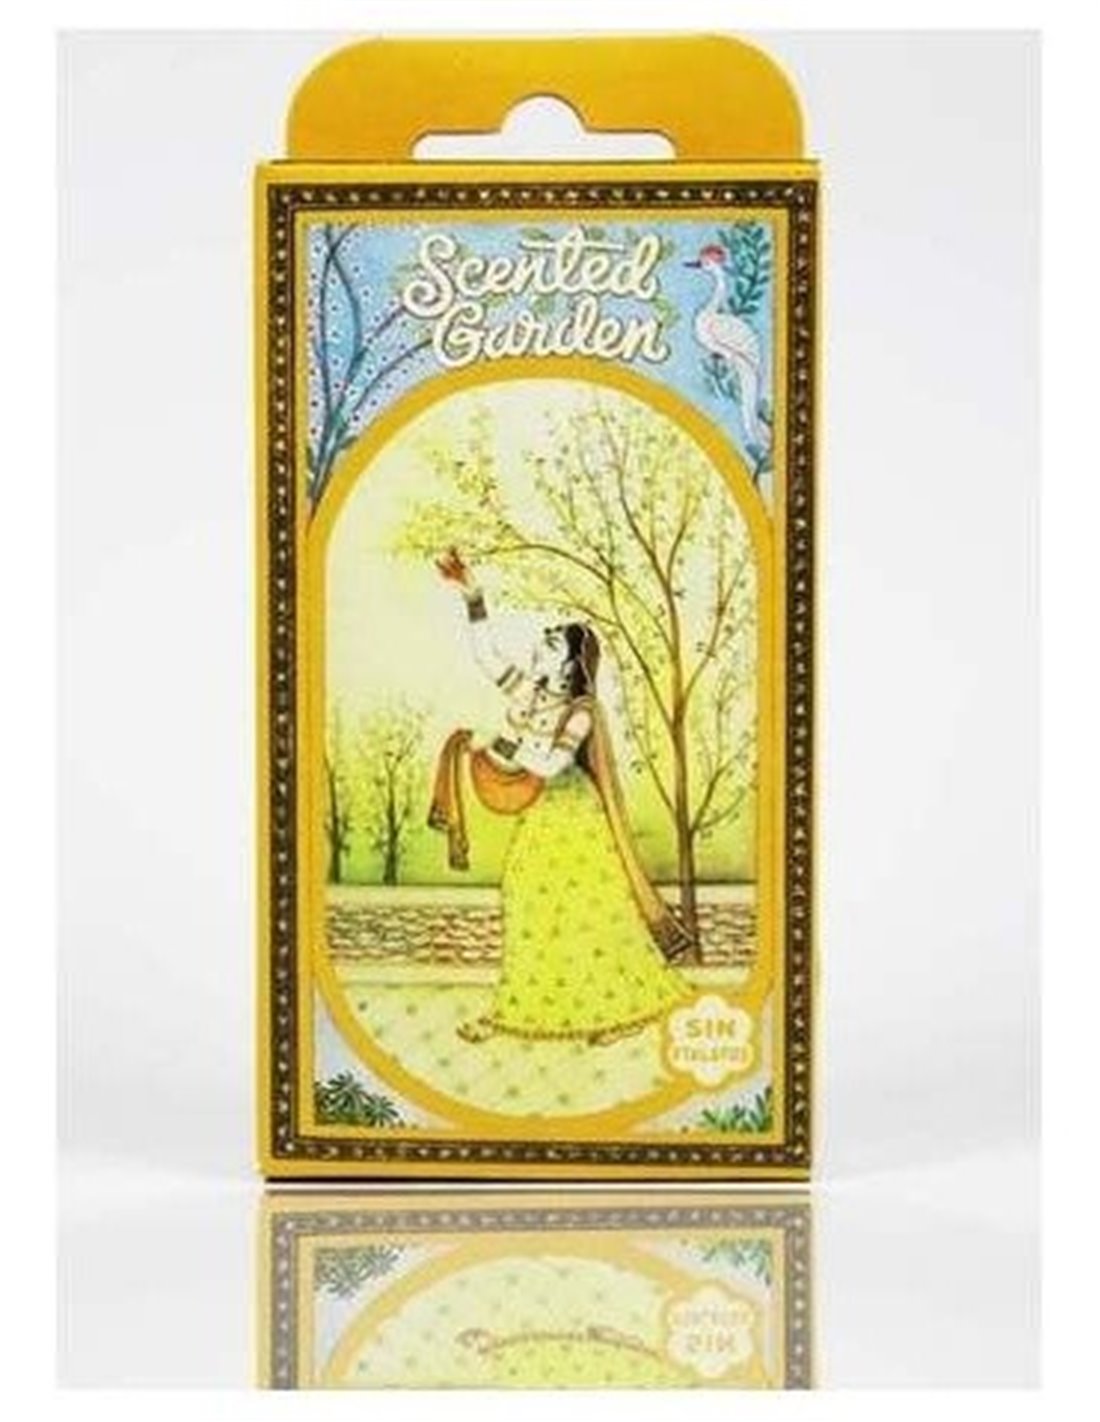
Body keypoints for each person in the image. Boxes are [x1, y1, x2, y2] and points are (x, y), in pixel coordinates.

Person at [431, 549, 693, 1046]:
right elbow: (487, 657)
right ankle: (520, 1008)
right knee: (525, 896)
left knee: (589, 908)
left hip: (577, 817)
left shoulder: (580, 711)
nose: (541, 640)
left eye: (552, 640)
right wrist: (473, 596)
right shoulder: (531, 693)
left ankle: (623, 1011)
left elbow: (552, 764)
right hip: (544, 811)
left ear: (571, 661)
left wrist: (498, 743)